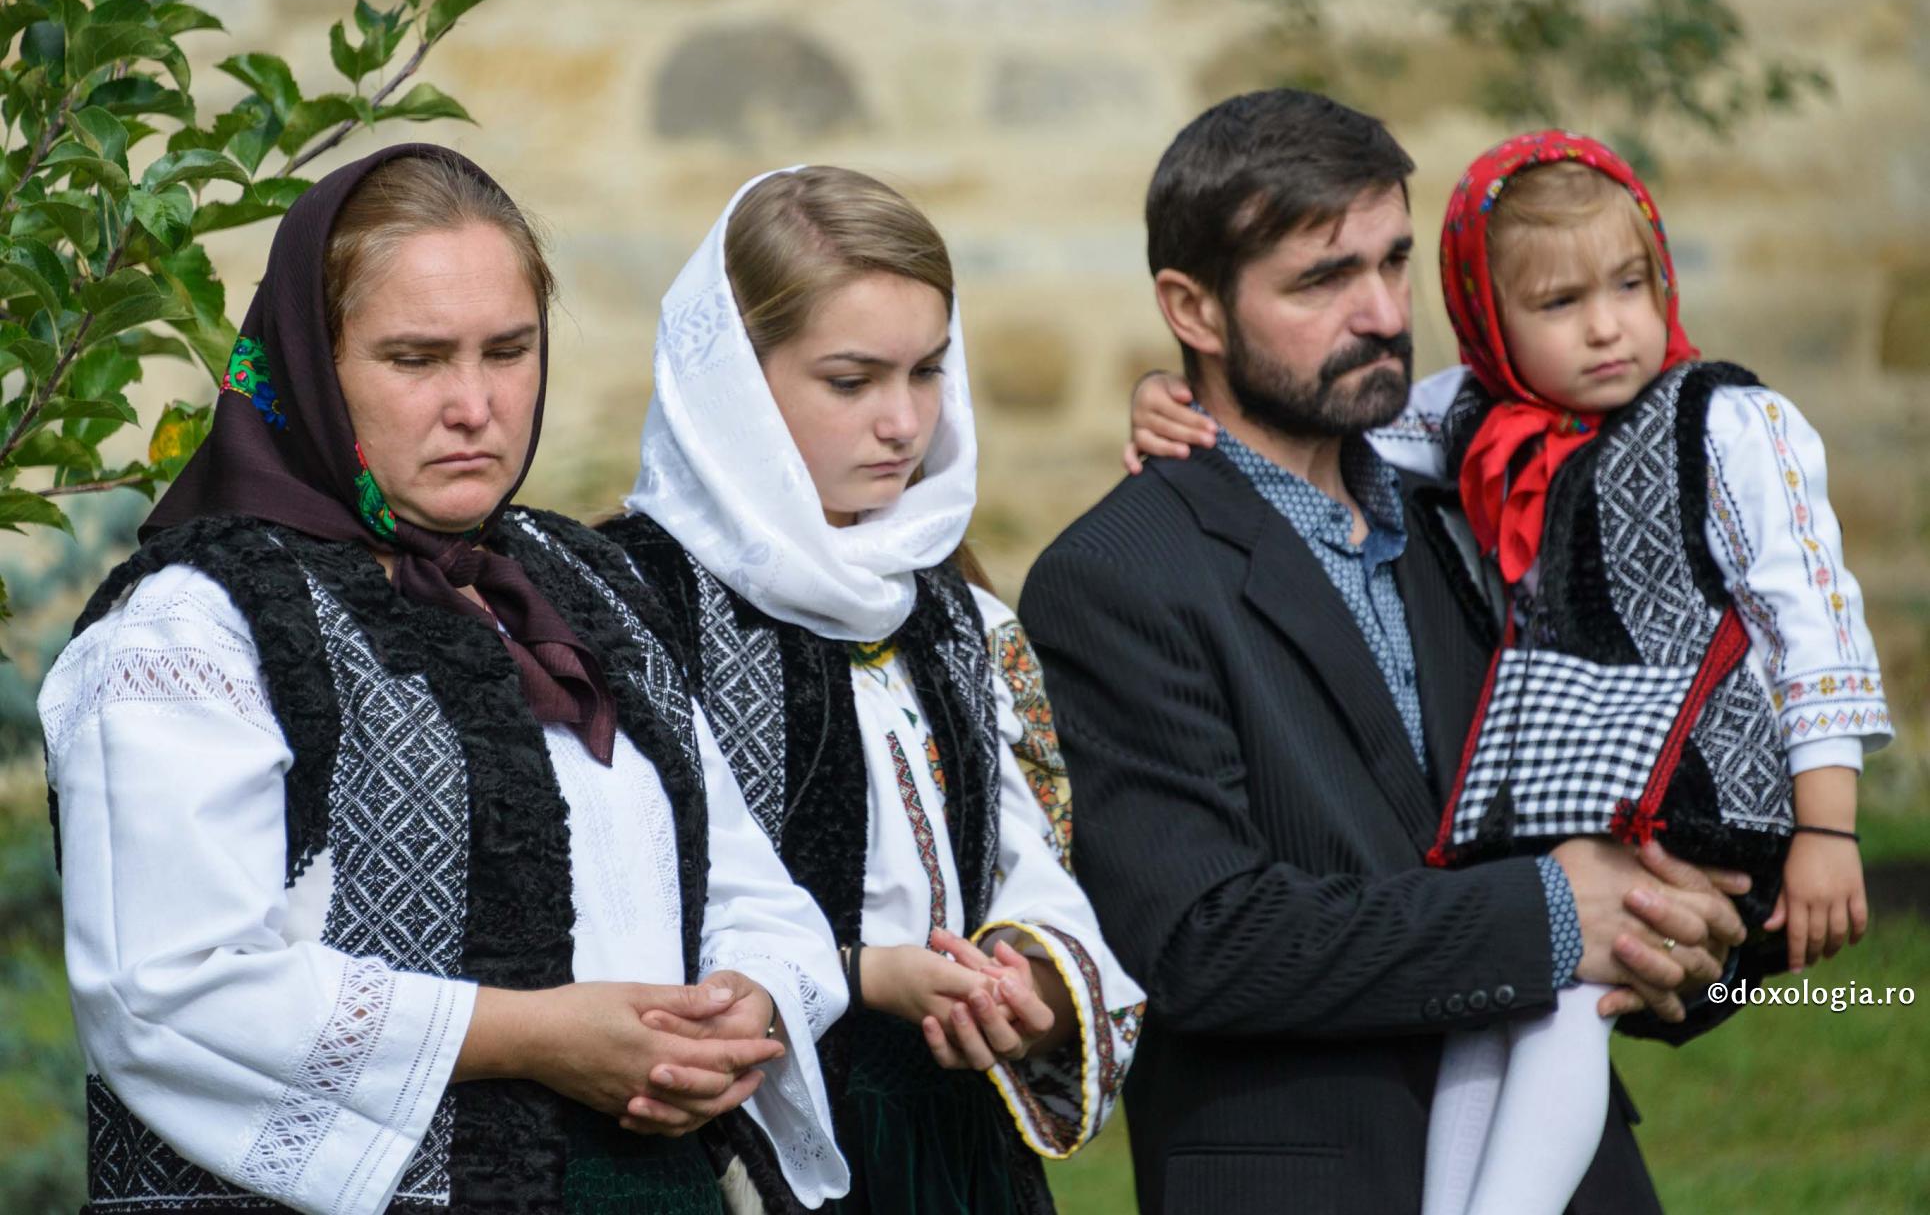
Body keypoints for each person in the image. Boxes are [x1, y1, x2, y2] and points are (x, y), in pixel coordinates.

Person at [37, 145, 850, 1214]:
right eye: (417, 359)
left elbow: (744, 884)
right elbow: (168, 992)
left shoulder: (579, 585)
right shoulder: (197, 629)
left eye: (508, 350)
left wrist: (746, 1003)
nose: (475, 403)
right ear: (310, 371)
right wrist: (534, 1035)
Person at [1019, 89, 1755, 1215]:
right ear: (1192, 309)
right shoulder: (1113, 577)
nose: (1378, 312)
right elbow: (1202, 940)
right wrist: (1555, 915)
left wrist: (1688, 934)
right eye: (1321, 279)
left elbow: (1610, 796)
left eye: (1392, 260)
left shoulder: (1482, 506)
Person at [1129, 128, 1890, 1214]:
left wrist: (1826, 827)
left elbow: (1808, 616)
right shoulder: (1463, 427)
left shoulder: (1724, 423)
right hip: (1563, 796)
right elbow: (1316, 439)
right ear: (1490, 322)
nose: (1607, 326)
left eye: (1630, 286)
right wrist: (1175, 405)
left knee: (1567, 1009)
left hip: (1694, 772)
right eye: (1557, 303)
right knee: (1518, 1003)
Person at [604, 165, 1143, 1213]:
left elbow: (1025, 858)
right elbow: (634, 904)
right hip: (746, 1140)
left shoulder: (953, 614)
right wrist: (861, 973)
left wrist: (1025, 980)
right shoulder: (632, 607)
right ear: (738, 389)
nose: (903, 422)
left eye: (928, 371)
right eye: (850, 382)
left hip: (953, 1143)